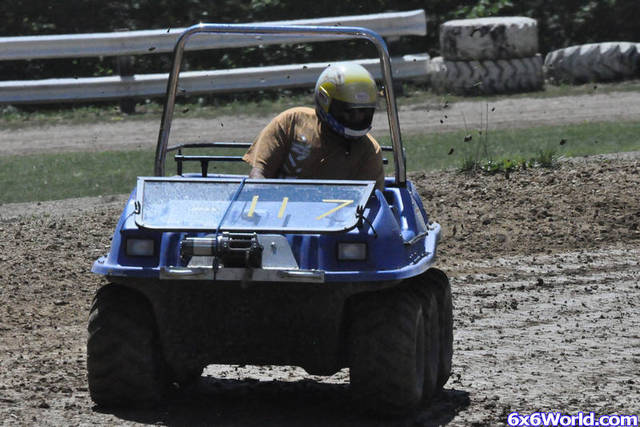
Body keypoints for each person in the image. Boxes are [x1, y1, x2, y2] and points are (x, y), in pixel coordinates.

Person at [242, 63, 385, 190]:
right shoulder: (291, 121)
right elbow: (259, 175)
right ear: (326, 101)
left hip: (335, 218)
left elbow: (369, 206)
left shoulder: (370, 151)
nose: (358, 118)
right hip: (276, 212)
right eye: (349, 111)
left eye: (364, 111)